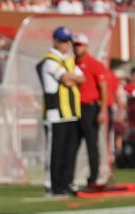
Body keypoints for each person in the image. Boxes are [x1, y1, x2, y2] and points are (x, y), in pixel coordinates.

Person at [38, 27, 84, 197]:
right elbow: (66, 79)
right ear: (55, 41)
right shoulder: (50, 61)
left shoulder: (69, 60)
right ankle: (52, 184)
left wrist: (72, 78)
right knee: (55, 152)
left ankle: (65, 182)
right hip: (55, 113)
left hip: (71, 112)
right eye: (64, 41)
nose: (68, 45)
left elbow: (81, 79)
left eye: (69, 41)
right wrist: (72, 78)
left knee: (69, 150)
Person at [73, 32, 110, 187]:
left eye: (79, 45)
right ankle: (69, 177)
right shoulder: (71, 63)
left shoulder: (94, 64)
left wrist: (102, 110)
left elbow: (103, 88)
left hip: (90, 108)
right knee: (72, 145)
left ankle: (93, 177)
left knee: (91, 144)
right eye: (75, 45)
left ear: (86, 46)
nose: (77, 48)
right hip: (75, 108)